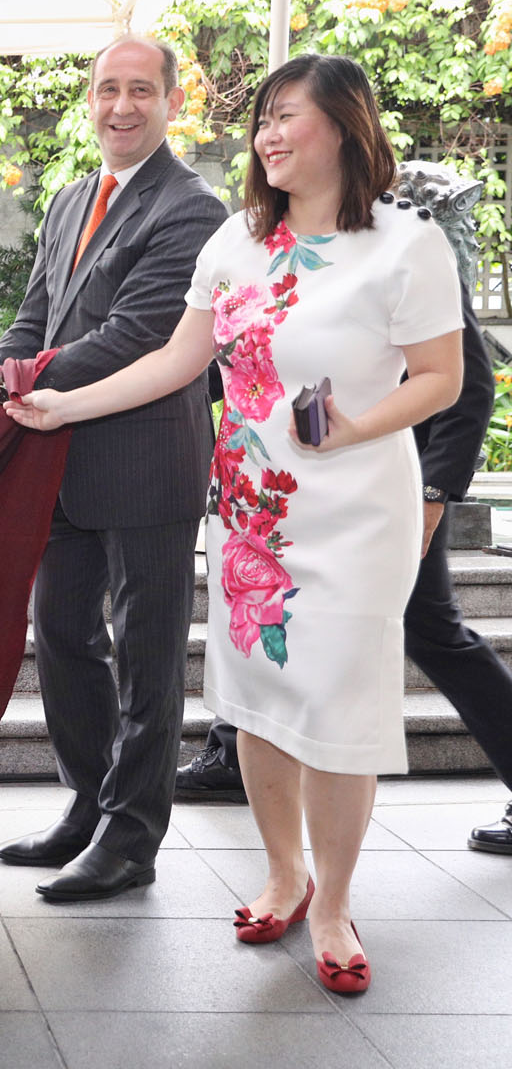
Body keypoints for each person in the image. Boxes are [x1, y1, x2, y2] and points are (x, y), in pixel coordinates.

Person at [5, 54, 464, 994]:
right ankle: (284, 872)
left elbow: (442, 379)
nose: (269, 134)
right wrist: (62, 405)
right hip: (254, 514)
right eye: (263, 119)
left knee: (338, 704)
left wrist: (350, 425)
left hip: (355, 509)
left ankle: (333, 904)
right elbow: (177, 361)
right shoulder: (236, 244)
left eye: (289, 116)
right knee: (254, 704)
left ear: (344, 125)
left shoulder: (406, 245)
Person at [0, 35, 226, 900]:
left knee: (146, 656)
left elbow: (136, 336)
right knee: (63, 635)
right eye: (108, 89)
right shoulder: (70, 199)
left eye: (142, 90)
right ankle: (85, 806)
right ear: (89, 99)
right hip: (55, 457)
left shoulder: (191, 209)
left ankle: (132, 838)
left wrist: (8, 380)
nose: (122, 106)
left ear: (174, 102)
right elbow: (34, 318)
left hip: (146, 461)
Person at [178, 164, 512, 857]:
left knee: (431, 632)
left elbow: (464, 387)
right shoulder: (261, 246)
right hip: (288, 493)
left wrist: (433, 495)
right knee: (272, 626)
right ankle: (232, 746)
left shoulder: (406, 244)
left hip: (381, 492)